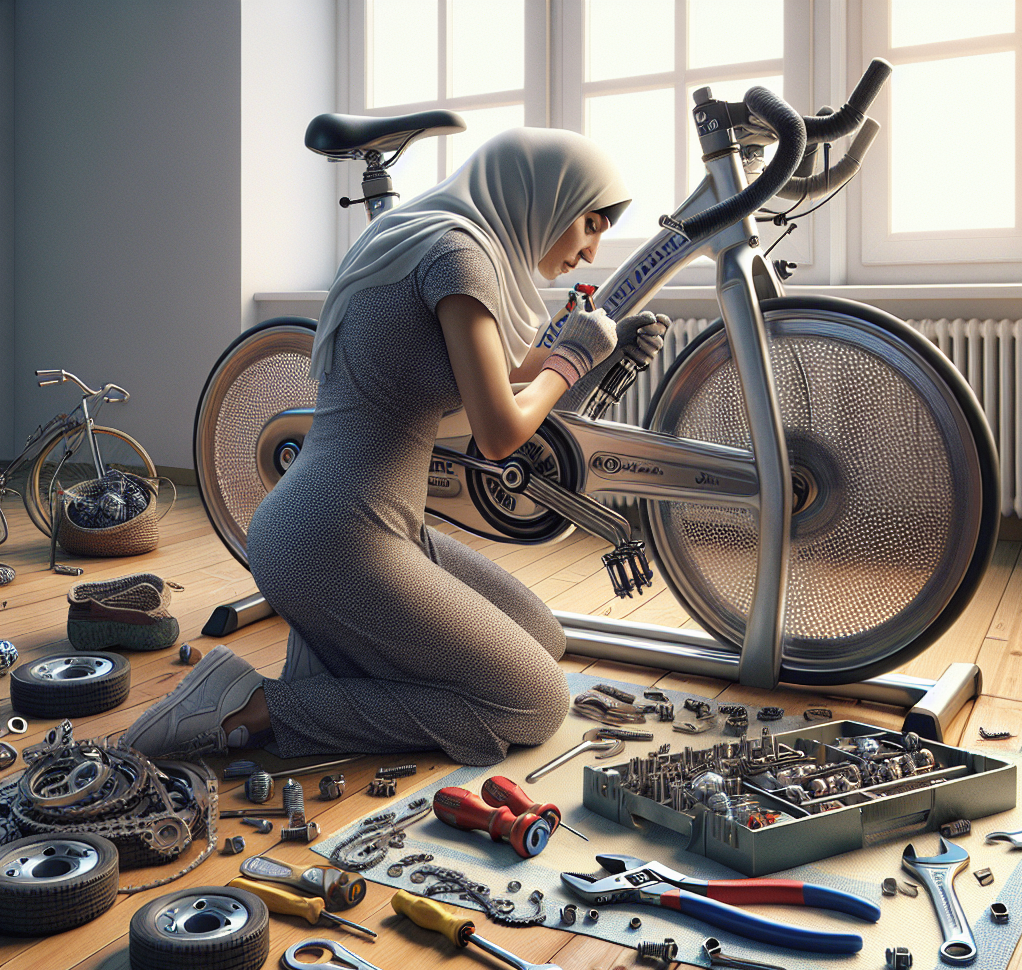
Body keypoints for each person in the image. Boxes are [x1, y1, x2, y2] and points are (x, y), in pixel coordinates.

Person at [123, 127, 668, 766]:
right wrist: (576, 354)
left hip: (363, 529)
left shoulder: (435, 239)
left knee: (543, 640)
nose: (592, 250)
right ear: (545, 197)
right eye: (591, 224)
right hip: (335, 541)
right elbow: (499, 436)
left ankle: (327, 660)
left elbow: (500, 372)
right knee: (537, 702)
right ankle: (257, 706)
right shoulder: (457, 257)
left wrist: (600, 351)